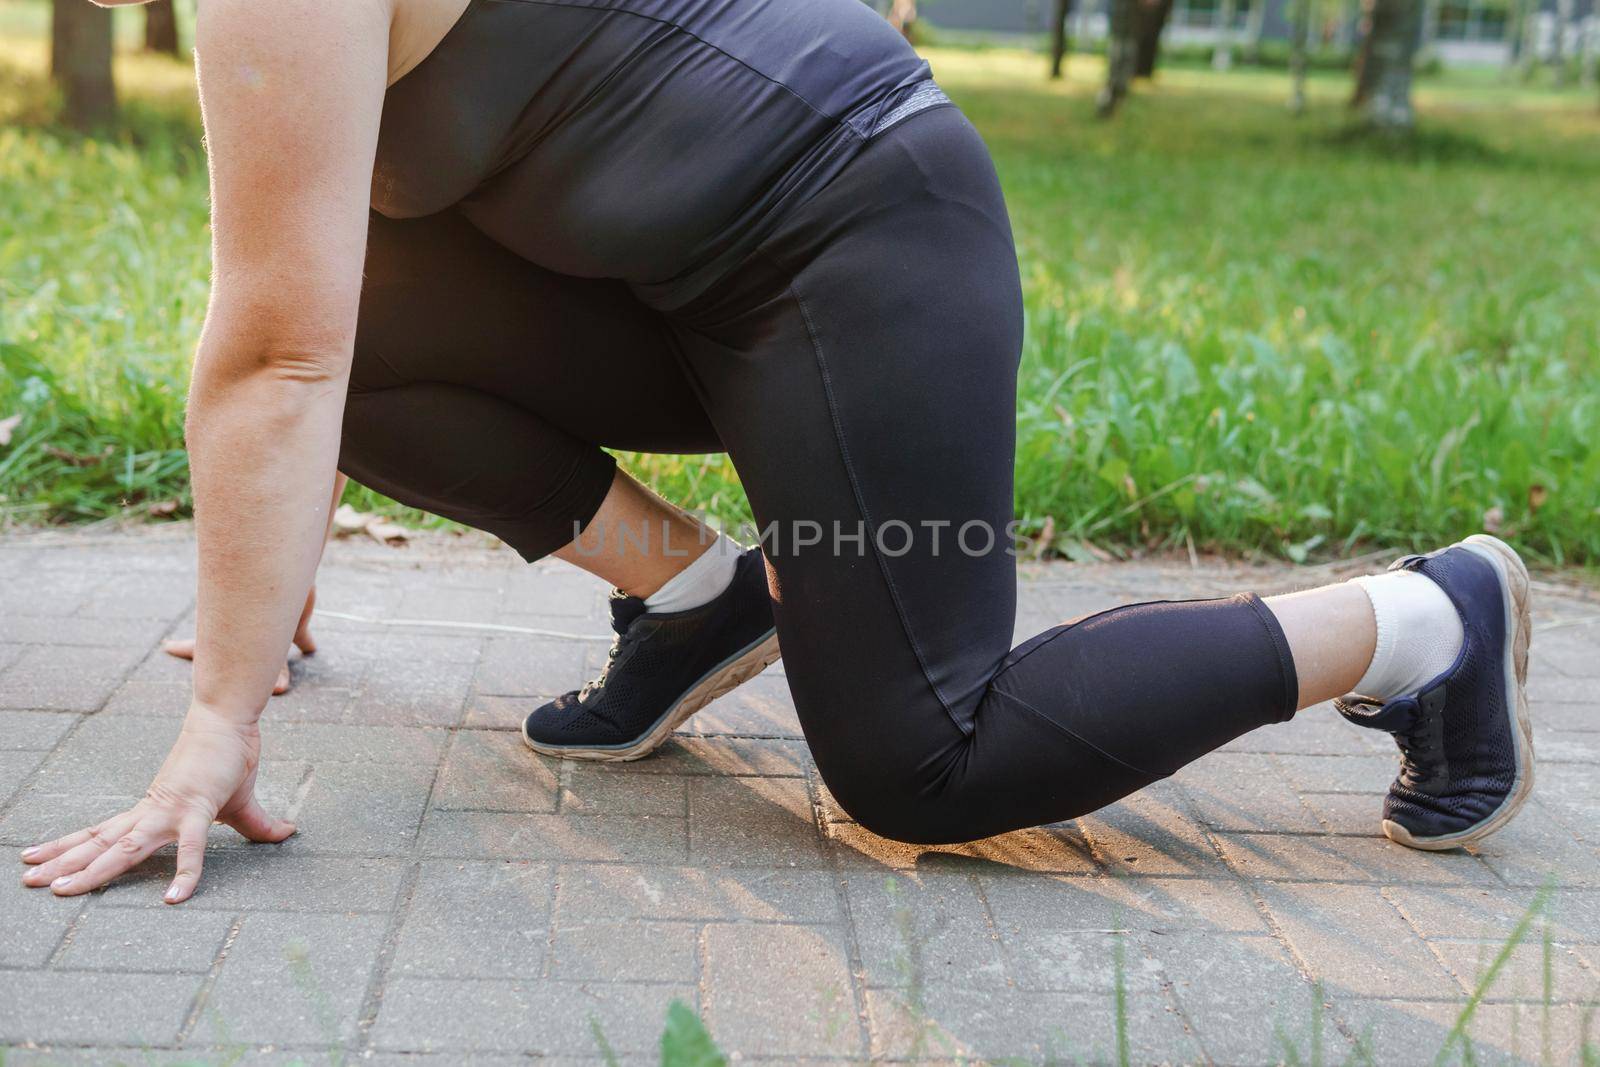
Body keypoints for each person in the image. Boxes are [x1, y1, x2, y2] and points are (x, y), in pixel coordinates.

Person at [21, 0, 1534, 905]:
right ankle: (696, 600)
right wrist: (267, 587)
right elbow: (311, 316)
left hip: (857, 242)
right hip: (668, 278)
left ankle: (1427, 620)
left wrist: (220, 719)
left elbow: (280, 355)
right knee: (360, 337)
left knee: (920, 761)